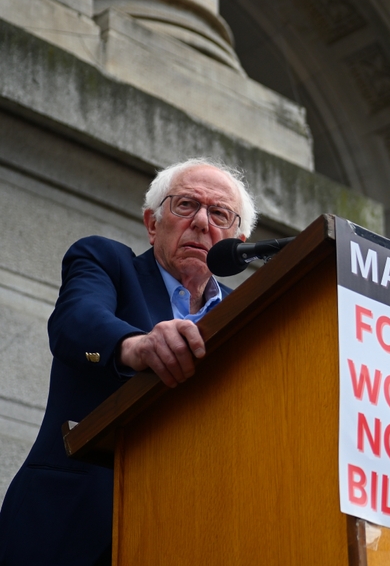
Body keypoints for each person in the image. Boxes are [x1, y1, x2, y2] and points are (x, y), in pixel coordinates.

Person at [0, 158, 257, 566]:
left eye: (219, 213)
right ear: (153, 224)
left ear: (238, 243)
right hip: (74, 528)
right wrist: (135, 346)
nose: (202, 222)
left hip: (200, 534)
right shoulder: (107, 262)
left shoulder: (252, 313)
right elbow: (75, 321)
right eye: (186, 205)